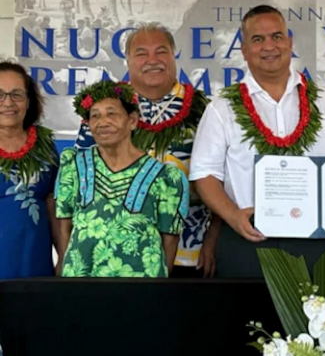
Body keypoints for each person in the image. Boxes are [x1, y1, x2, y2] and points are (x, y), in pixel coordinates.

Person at [189, 5, 325, 278]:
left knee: (324, 320)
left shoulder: (324, 101)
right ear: (244, 50)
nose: (269, 45)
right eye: (258, 39)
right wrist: (233, 217)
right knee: (246, 321)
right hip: (248, 237)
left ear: (289, 43)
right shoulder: (222, 107)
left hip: (317, 239)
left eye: (277, 36)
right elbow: (204, 173)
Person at [75, 23, 221, 278]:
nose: (152, 60)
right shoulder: (104, 111)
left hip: (191, 254)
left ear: (174, 56)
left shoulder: (205, 110)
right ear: (128, 60)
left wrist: (213, 241)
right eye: (141, 53)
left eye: (161, 51)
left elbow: (225, 180)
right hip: (115, 256)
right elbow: (78, 182)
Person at [55, 81, 189, 277]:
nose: (103, 122)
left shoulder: (166, 177)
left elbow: (170, 242)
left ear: (132, 121)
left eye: (112, 114)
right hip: (81, 286)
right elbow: (64, 226)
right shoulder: (73, 165)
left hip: (141, 289)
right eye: (95, 116)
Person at [0, 61, 58, 280]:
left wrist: (63, 255)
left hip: (35, 259)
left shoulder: (44, 143)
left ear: (28, 101)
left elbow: (53, 203)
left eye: (16, 94)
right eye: (0, 94)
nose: (8, 103)